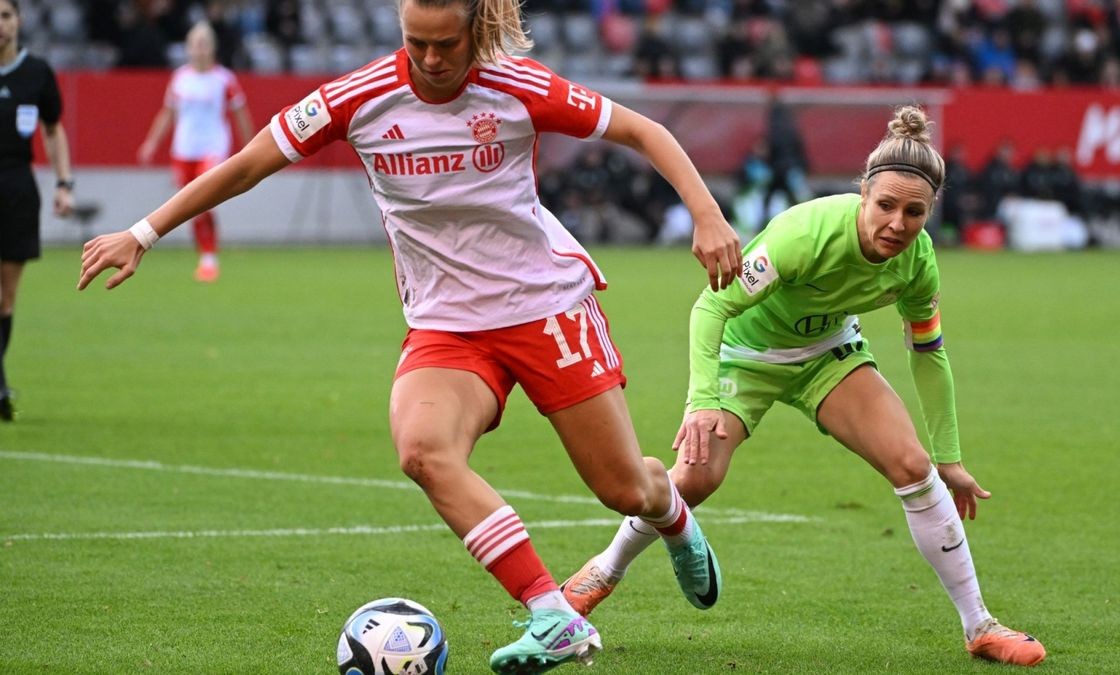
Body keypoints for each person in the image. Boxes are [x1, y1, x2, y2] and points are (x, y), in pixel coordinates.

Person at [78, 0, 743, 672]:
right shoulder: (357, 98)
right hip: (448, 326)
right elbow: (251, 161)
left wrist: (707, 214)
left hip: (545, 309)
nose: (431, 60)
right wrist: (144, 232)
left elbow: (642, 130)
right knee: (423, 450)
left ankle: (674, 520)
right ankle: (551, 613)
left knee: (626, 489)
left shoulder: (517, 87)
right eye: (416, 43)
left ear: (474, 29)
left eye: (446, 44)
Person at [561, 106, 1048, 668]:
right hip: (747, 354)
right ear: (862, 194)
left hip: (828, 356)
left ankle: (979, 625)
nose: (896, 223)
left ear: (930, 211)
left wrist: (950, 457)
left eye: (914, 212)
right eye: (885, 205)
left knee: (914, 467)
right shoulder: (805, 232)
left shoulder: (918, 261)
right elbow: (712, 306)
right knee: (695, 481)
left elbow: (929, 354)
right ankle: (604, 568)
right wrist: (703, 401)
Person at [0, 0, 75, 420]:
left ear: (18, 22)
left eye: (5, 15)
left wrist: (64, 184)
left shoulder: (36, 73)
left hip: (16, 189)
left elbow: (53, 130)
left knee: (5, 299)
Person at [138, 21, 253, 282]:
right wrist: (151, 143)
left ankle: (209, 257)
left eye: (204, 43)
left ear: (212, 48)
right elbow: (168, 113)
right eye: (195, 44)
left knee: (204, 201)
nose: (199, 49)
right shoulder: (180, 79)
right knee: (188, 205)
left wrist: (249, 147)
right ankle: (204, 254)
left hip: (213, 148)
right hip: (184, 149)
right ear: (188, 48)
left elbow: (240, 114)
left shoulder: (224, 79)